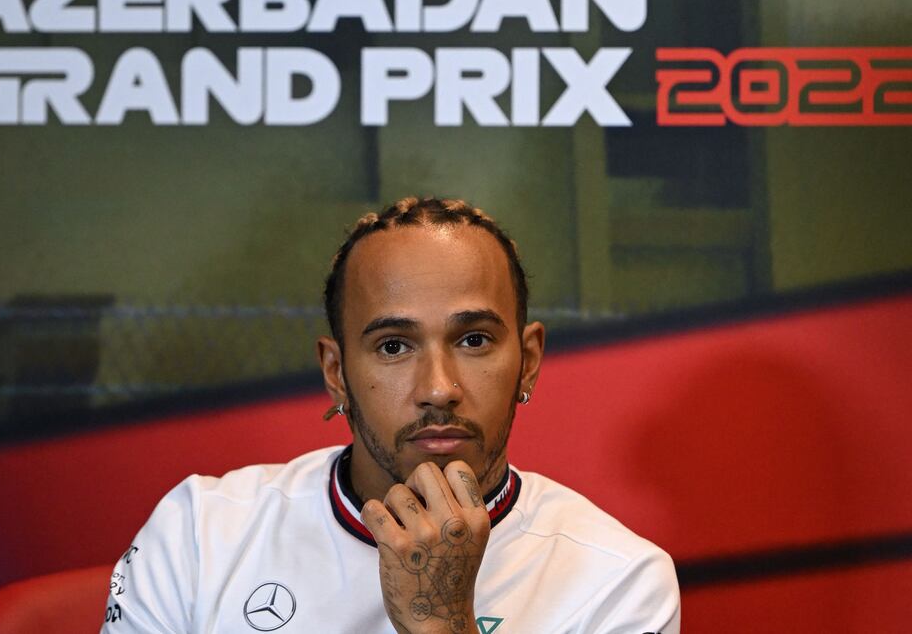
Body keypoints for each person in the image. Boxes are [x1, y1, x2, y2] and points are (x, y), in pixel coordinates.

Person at [101, 197, 680, 633]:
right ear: (336, 373)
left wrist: (441, 623)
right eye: (394, 346)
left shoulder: (618, 580)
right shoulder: (201, 533)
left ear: (527, 361)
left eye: (474, 340)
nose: (439, 389)